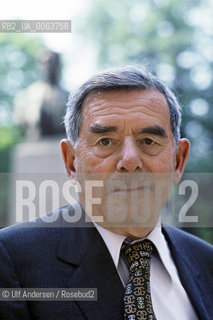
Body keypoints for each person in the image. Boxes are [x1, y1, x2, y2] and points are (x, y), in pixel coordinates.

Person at [0, 66, 212, 319]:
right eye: (105, 142)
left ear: (178, 161)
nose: (130, 160)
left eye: (148, 141)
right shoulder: (13, 260)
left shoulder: (206, 262)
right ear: (71, 162)